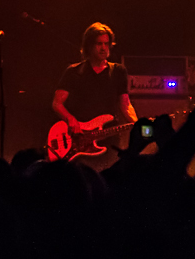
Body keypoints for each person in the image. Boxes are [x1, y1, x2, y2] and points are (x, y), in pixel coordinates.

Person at [51, 23, 137, 169]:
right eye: (98, 44)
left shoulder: (117, 71)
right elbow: (57, 103)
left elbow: (125, 104)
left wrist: (137, 123)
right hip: (80, 140)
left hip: (109, 139)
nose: (103, 48)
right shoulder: (74, 72)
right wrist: (71, 119)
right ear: (89, 46)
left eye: (106, 44)